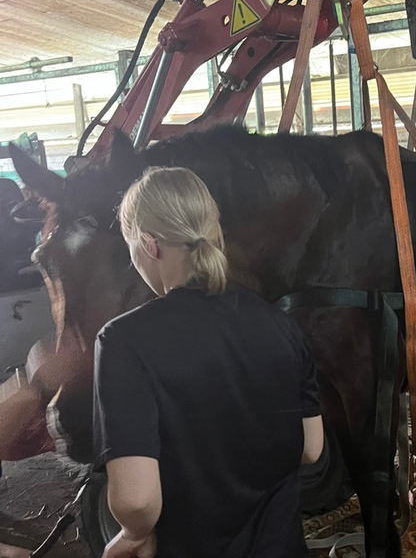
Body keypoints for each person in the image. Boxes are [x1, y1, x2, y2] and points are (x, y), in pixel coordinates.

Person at [93, 167, 324, 558]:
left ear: (149, 245)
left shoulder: (123, 341)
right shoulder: (279, 324)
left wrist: (134, 533)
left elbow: (137, 500)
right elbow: (310, 449)